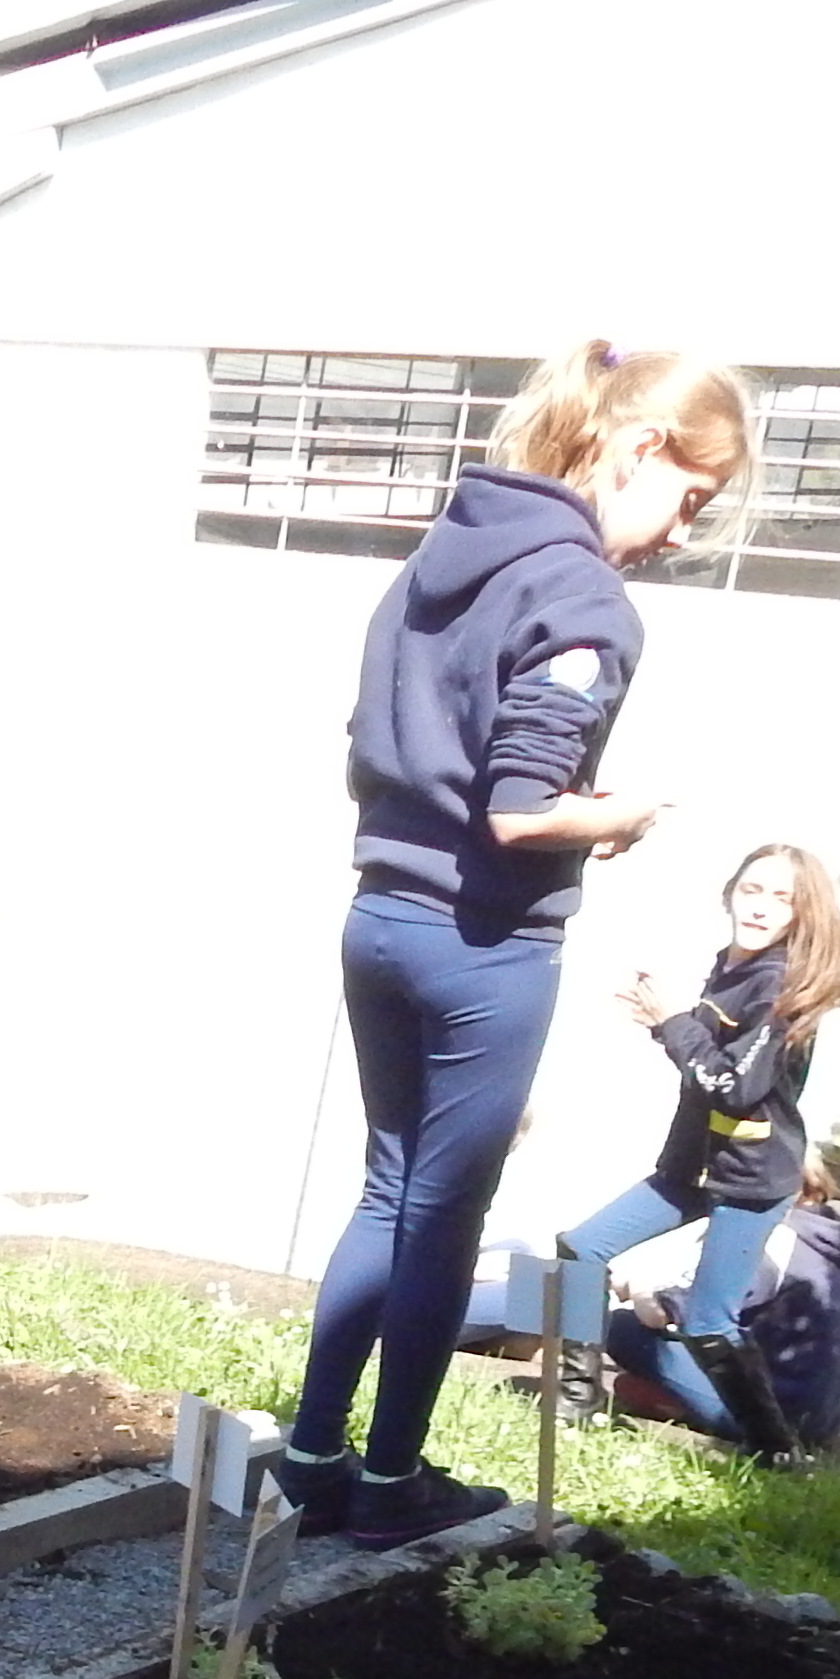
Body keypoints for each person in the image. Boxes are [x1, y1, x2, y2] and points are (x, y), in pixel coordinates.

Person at [288, 340, 749, 1548]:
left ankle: (309, 1454)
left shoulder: (435, 565)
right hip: (482, 941)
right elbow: (523, 804)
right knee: (441, 1213)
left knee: (384, 1191)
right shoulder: (582, 594)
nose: (680, 530)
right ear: (638, 446)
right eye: (689, 497)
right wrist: (624, 814)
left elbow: (367, 742)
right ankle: (388, 1489)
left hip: (379, 916)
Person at [558, 843, 840, 1459]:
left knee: (708, 1324)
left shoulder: (779, 984)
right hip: (693, 1165)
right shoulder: (733, 967)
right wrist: (664, 1021)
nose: (761, 907)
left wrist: (673, 1022)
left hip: (750, 1177)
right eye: (752, 890)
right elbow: (714, 1062)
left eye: (783, 897)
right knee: (580, 1246)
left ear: (803, 913)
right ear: (730, 893)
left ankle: (778, 1451)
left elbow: (733, 1086)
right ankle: (572, 1402)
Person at [603, 1158, 840, 1455]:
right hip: (821, 1419)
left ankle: (690, 1406)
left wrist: (636, 1284)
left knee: (623, 1328)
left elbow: (668, 1315)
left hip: (780, 1420)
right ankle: (677, 1400)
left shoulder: (771, 1240)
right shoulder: (820, 1236)